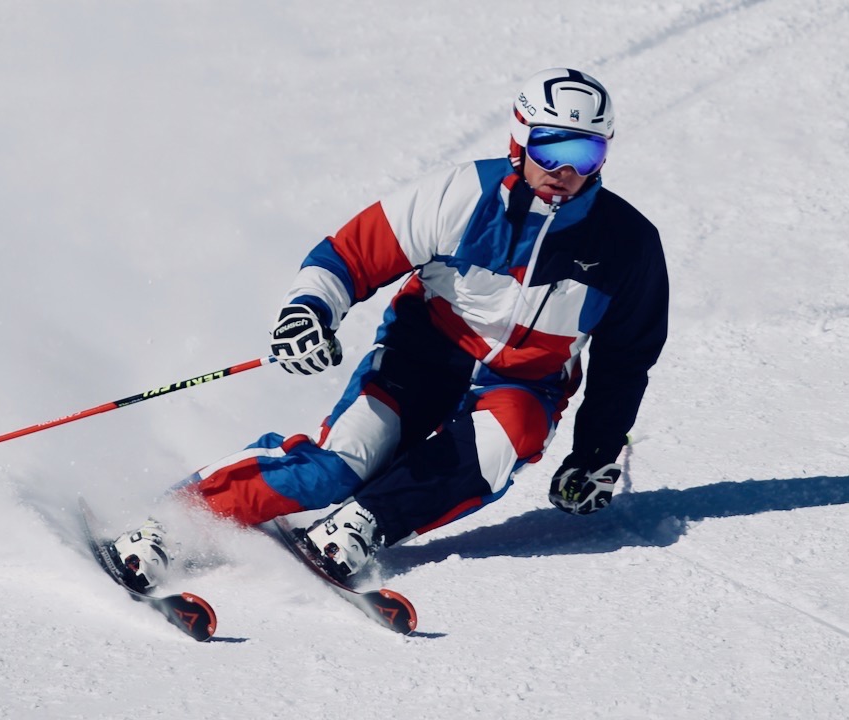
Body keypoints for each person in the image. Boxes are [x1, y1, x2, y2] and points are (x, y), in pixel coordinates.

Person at [111, 67, 669, 593]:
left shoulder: (627, 246)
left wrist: (594, 454)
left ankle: (362, 526)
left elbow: (626, 359)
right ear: (520, 140)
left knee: (514, 435)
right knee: (341, 466)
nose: (565, 171)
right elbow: (351, 255)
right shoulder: (462, 197)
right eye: (552, 147)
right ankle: (175, 520)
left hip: (522, 384)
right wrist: (309, 311)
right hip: (422, 358)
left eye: (586, 153)